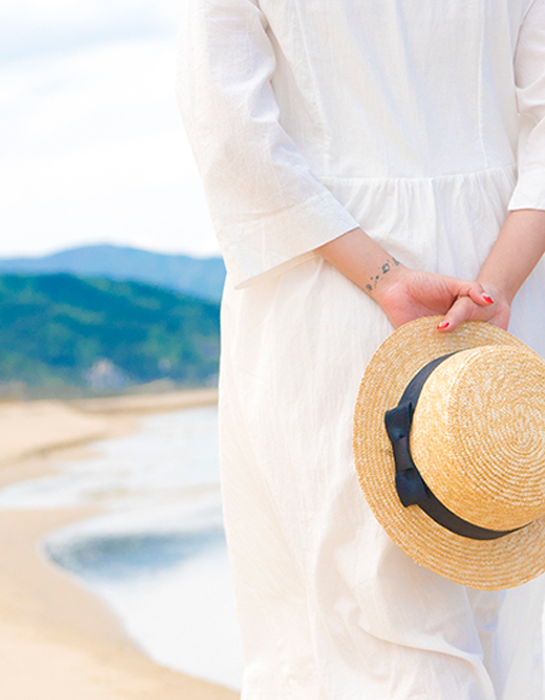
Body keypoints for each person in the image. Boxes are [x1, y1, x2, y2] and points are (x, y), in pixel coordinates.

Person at [177, 1, 545, 697]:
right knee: (498, 616)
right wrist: (496, 285)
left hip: (324, 275)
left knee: (357, 628)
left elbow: (229, 132)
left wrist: (383, 276)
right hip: (504, 283)